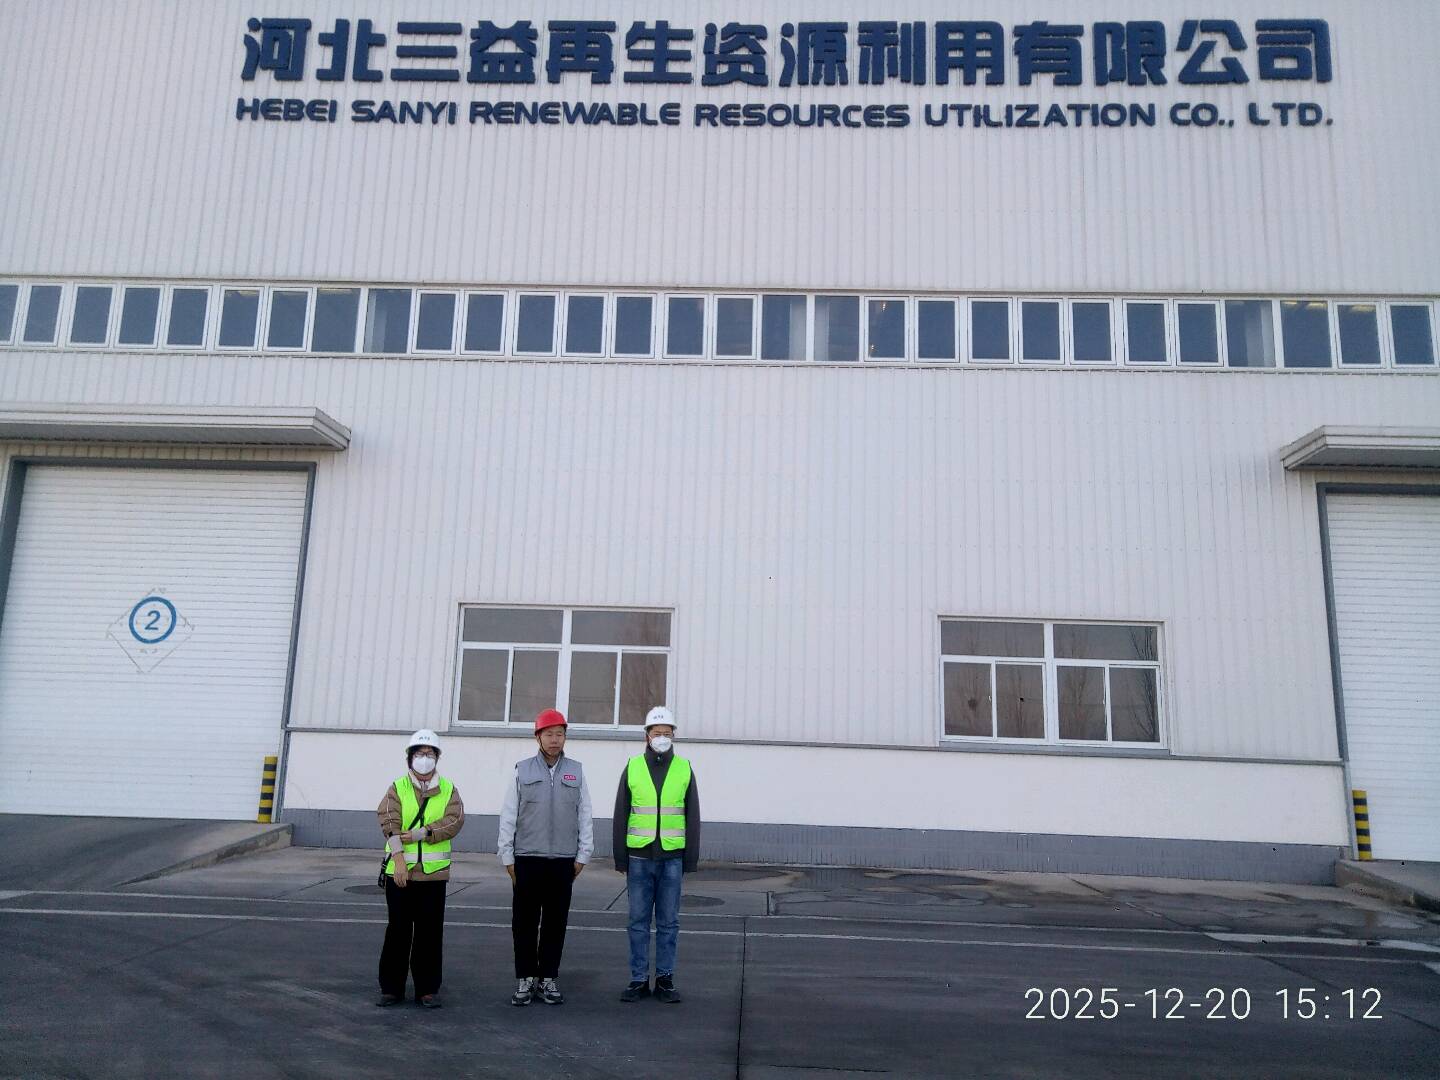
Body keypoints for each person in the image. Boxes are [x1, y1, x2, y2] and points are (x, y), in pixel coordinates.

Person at [497, 708, 593, 1006]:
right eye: (549, 734)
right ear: (537, 737)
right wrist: (507, 855)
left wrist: (583, 854)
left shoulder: (576, 771)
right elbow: (509, 814)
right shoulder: (522, 770)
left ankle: (548, 978)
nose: (555, 740)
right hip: (527, 859)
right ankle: (525, 978)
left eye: (559, 734)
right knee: (524, 923)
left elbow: (585, 814)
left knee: (555, 923)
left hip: (563, 861)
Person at [614, 705, 700, 1004]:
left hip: (672, 858)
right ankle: (638, 980)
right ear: (647, 736)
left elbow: (692, 815)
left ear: (673, 735)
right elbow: (621, 813)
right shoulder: (633, 766)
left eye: (667, 732)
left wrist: (690, 858)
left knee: (668, 923)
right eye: (657, 732)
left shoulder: (684, 768)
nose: (662, 737)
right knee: (637, 922)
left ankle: (665, 979)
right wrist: (620, 857)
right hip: (639, 858)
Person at [376, 728, 465, 1008]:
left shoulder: (448, 789)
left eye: (429, 754)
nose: (424, 759)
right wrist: (399, 860)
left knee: (430, 933)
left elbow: (455, 821)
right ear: (410, 757)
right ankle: (391, 988)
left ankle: (427, 989)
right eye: (419, 753)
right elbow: (389, 821)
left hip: (433, 875)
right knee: (398, 931)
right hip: (400, 873)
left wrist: (423, 833)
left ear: (437, 758)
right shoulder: (397, 788)